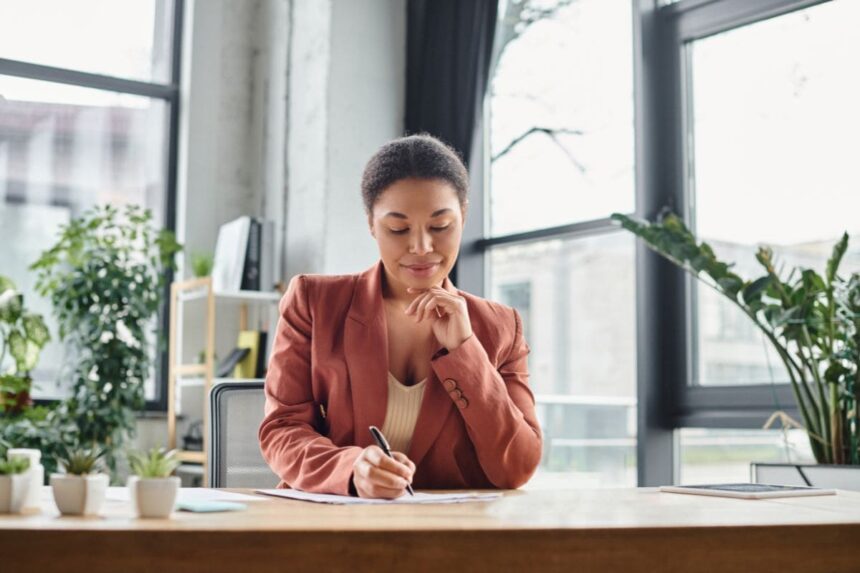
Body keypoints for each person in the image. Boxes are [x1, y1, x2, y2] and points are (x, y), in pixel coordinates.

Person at [258, 134, 542, 498]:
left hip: (449, 537)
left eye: (440, 226)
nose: (422, 247)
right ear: (372, 224)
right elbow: (282, 429)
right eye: (398, 229)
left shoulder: (501, 327)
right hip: (334, 523)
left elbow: (517, 467)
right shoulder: (314, 302)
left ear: (464, 216)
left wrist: (465, 350)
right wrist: (351, 471)